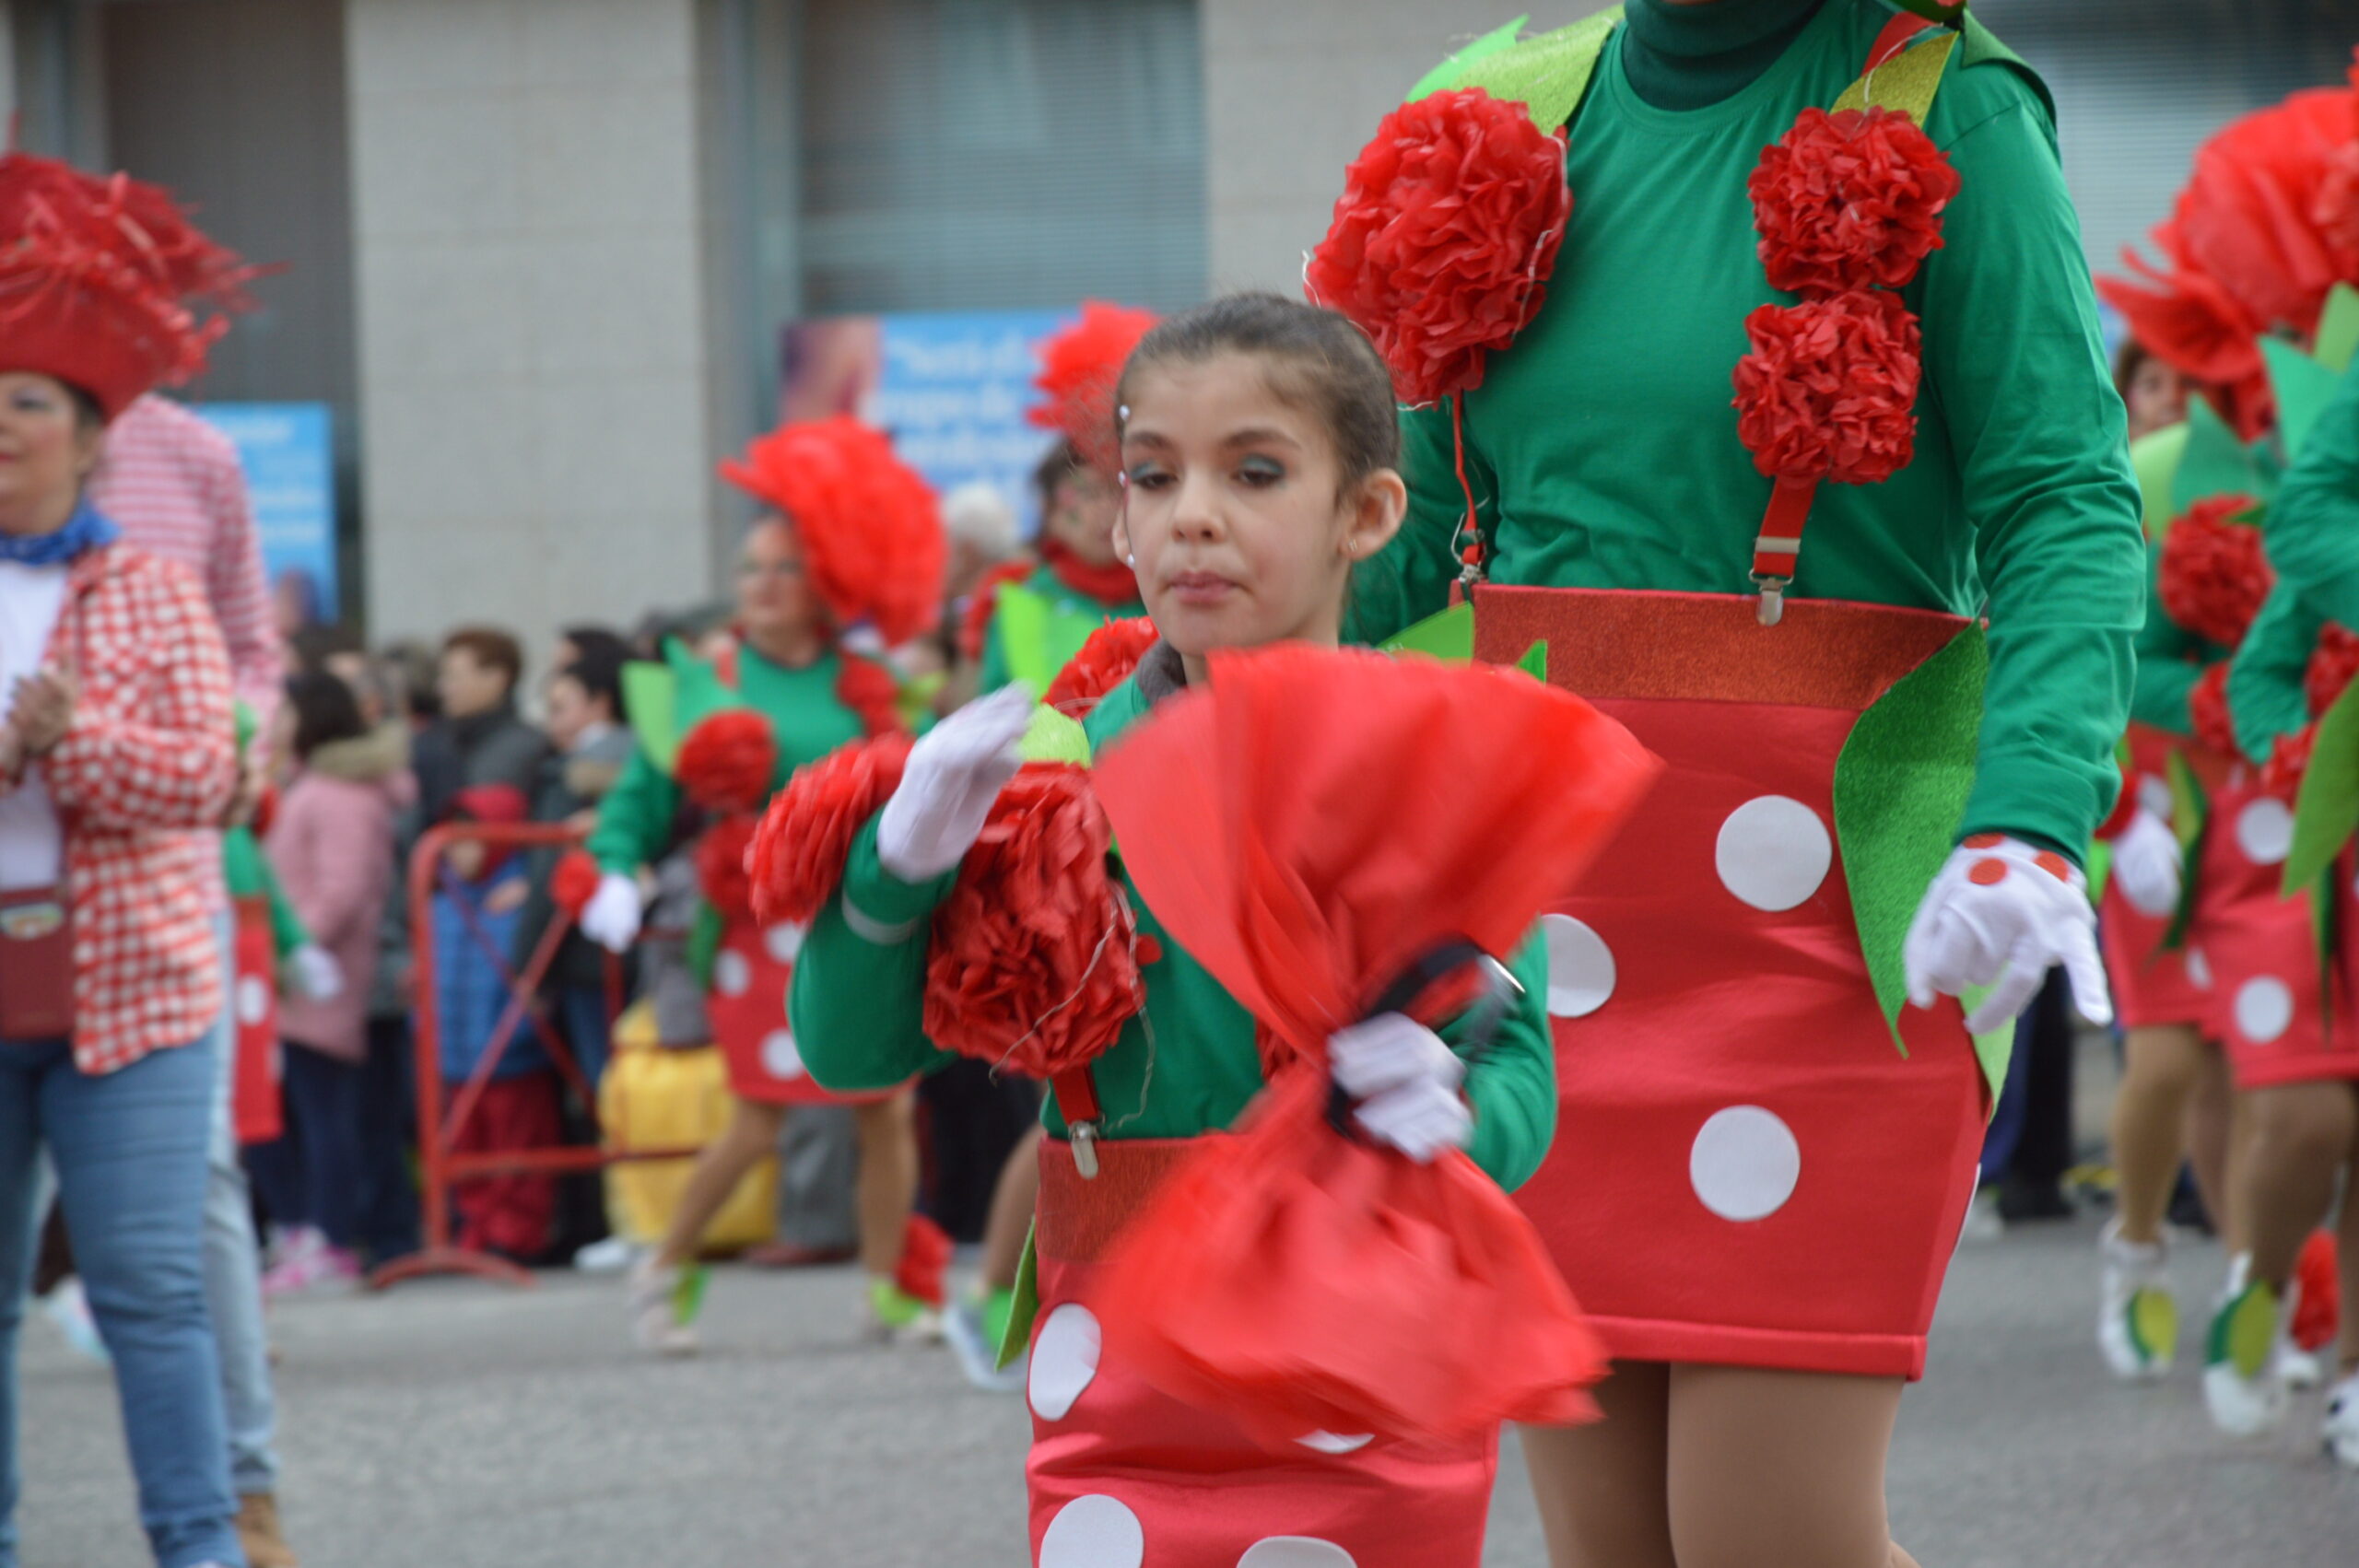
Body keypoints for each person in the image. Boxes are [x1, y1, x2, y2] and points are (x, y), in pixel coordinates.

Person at [1322, 6, 2144, 1564]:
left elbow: (2063, 494)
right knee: (1613, 1546)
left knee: (1774, 1537)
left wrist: (2028, 811)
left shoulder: (1950, 103)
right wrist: (1165, 749)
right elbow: (1400, 540)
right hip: (1544, 929)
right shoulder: (1491, 104)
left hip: (1831, 906)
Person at [0, 151, 250, 1568]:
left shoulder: (148, 587)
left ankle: (202, 1543)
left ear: (92, 436)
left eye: (28, 403)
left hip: (134, 995)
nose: (2, 425)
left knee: (152, 1286)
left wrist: (70, 736)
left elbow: (204, 772)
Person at [581, 415, 946, 1352]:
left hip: (856, 913)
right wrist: (613, 870)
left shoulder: (868, 682)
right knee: (758, 1119)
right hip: (752, 924)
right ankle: (663, 1268)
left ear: (828, 572)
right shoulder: (708, 675)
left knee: (885, 1108)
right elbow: (640, 790)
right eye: (750, 570)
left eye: (784, 568)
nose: (763, 586)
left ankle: (888, 1292)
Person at [2217, 359, 2359, 1464]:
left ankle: (2353, 1372)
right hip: (2308, 871)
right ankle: (2255, 1283)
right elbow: (2256, 683)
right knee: (2312, 1120)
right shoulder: (2320, 548)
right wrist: (2296, 761)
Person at [249, 672, 409, 1292]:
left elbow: (344, 889)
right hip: (299, 971)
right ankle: (303, 1232)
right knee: (299, 1110)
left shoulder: (337, 792)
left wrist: (295, 947)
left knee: (325, 1111)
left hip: (321, 975)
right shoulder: (312, 785)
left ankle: (330, 1238)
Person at [413, 626, 546, 829]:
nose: (442, 688)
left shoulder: (521, 746)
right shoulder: (439, 737)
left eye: (454, 676)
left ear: (496, 678)